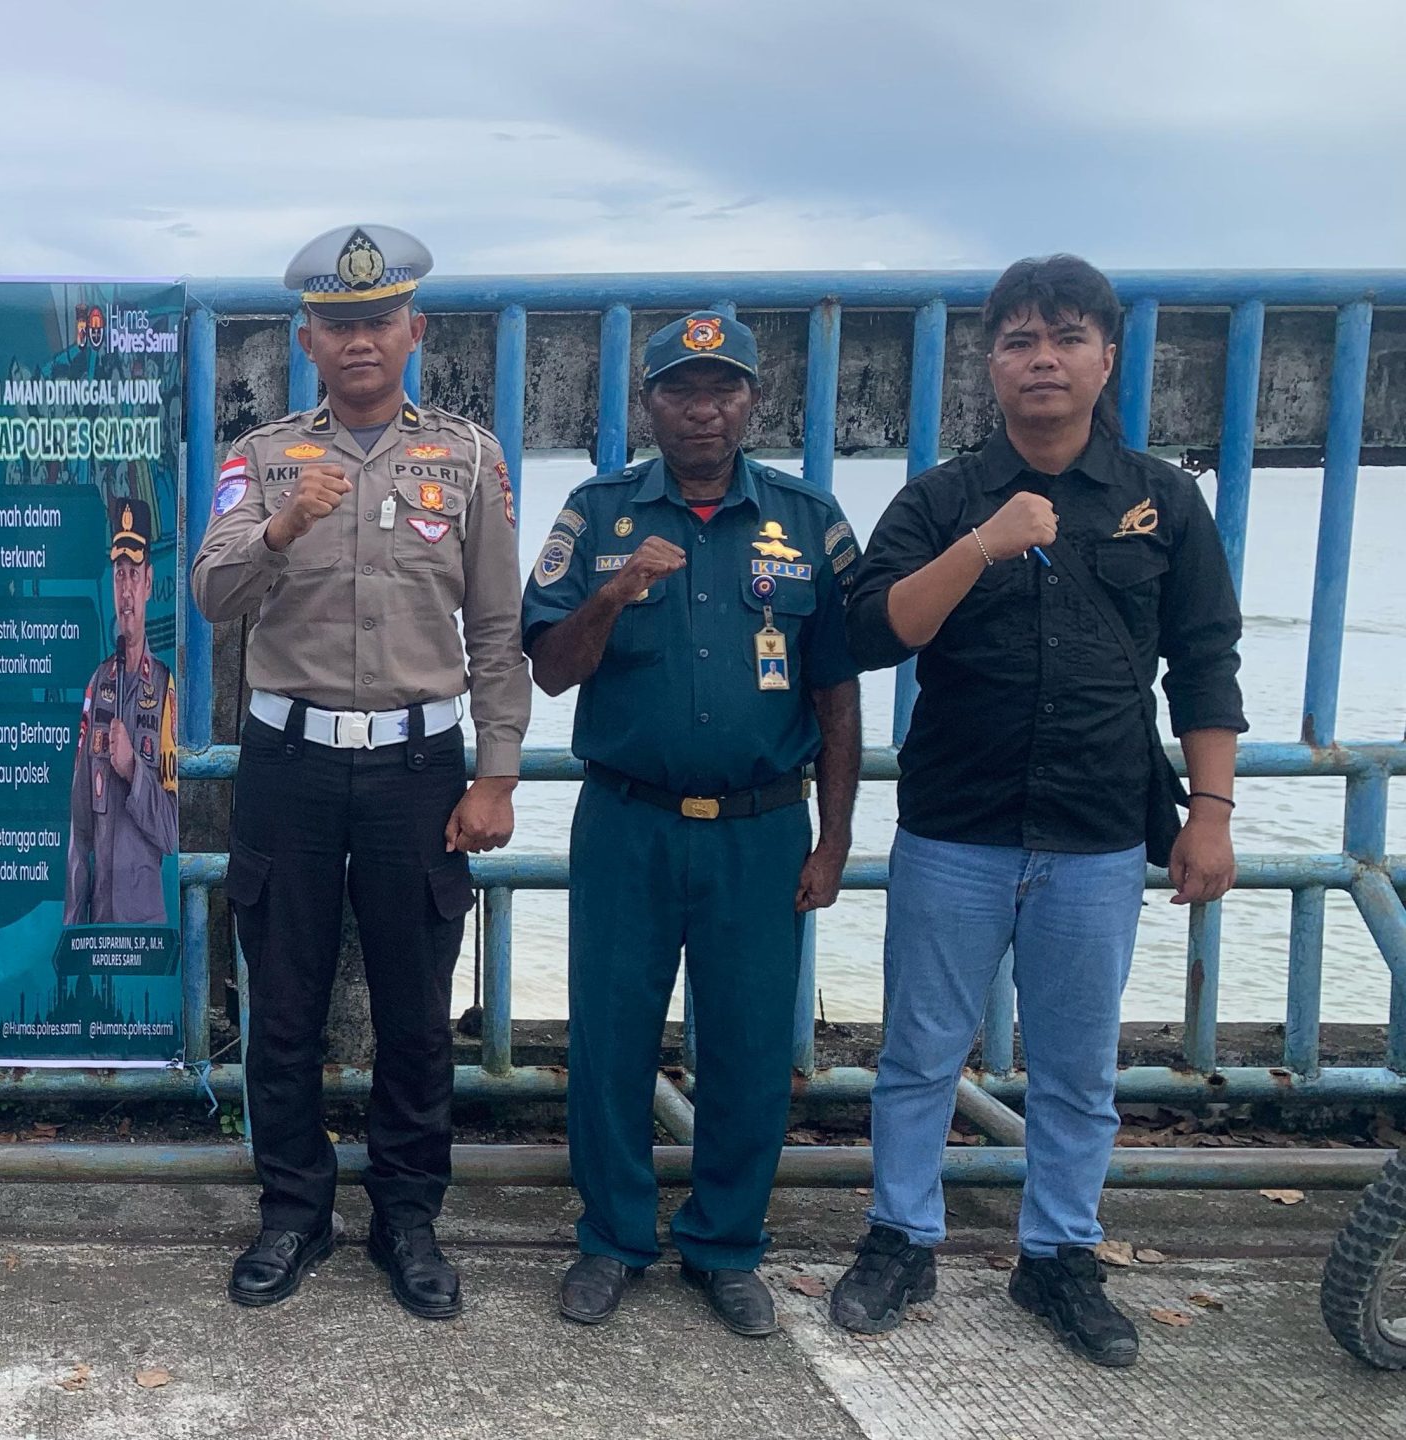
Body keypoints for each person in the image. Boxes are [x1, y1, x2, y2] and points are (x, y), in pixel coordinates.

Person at [832, 255, 1243, 1368]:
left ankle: (1058, 1254)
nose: (1043, 359)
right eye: (1019, 340)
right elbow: (875, 634)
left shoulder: (1163, 498)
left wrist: (1209, 811)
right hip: (954, 828)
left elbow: (1204, 661)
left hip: (1100, 831)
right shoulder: (940, 500)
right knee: (919, 1051)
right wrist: (983, 544)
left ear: (1106, 357)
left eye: (1066, 337)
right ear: (990, 363)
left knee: (1077, 1065)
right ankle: (898, 1237)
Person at [192, 224, 528, 1320]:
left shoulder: (469, 459)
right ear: (307, 339)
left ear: (413, 330)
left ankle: (408, 1219)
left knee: (415, 1010)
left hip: (418, 768)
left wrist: (496, 773)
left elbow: (494, 626)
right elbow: (210, 595)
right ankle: (292, 1212)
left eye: (378, 320)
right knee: (280, 1006)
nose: (358, 341)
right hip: (286, 759)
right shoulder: (262, 457)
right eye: (337, 325)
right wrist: (282, 527)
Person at [522, 311, 862, 1336]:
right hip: (628, 821)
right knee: (611, 1043)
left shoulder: (807, 520)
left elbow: (838, 694)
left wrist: (835, 838)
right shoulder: (598, 513)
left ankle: (724, 1244)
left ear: (754, 402)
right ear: (649, 404)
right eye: (680, 389)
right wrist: (617, 594)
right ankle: (613, 1239)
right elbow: (547, 668)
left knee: (752, 1048)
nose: (703, 408)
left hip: (762, 829)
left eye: (723, 389)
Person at [64, 492, 179, 926]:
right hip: (98, 923)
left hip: (144, 930)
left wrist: (133, 772)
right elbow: (79, 826)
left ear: (150, 583)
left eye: (134, 575)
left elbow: (172, 831)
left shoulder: (166, 685)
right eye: (118, 575)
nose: (126, 590)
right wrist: (72, 928)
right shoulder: (98, 685)